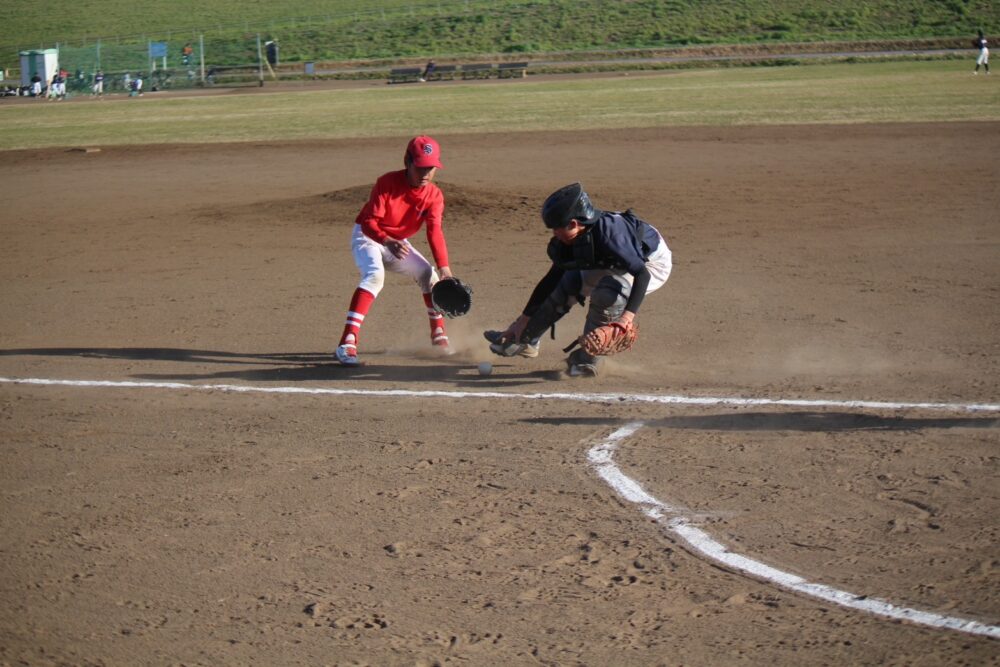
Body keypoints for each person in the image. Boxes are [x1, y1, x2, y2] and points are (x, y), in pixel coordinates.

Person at [487, 182, 672, 377]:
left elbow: (642, 274)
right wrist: (523, 321)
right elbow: (551, 280)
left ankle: (588, 359)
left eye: (557, 228)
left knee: (608, 295)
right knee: (567, 283)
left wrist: (626, 319)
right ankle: (526, 339)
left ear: (574, 224)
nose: (554, 234)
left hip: (652, 264)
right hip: (613, 261)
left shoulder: (611, 236)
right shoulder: (573, 237)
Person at [334, 135, 457, 366]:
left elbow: (435, 232)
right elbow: (370, 222)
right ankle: (347, 342)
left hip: (397, 243)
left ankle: (438, 334)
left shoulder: (434, 196)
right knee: (374, 276)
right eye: (420, 167)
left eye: (431, 168)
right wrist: (386, 240)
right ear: (407, 162)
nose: (426, 173)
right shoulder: (387, 183)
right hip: (368, 237)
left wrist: (445, 269)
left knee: (428, 275)